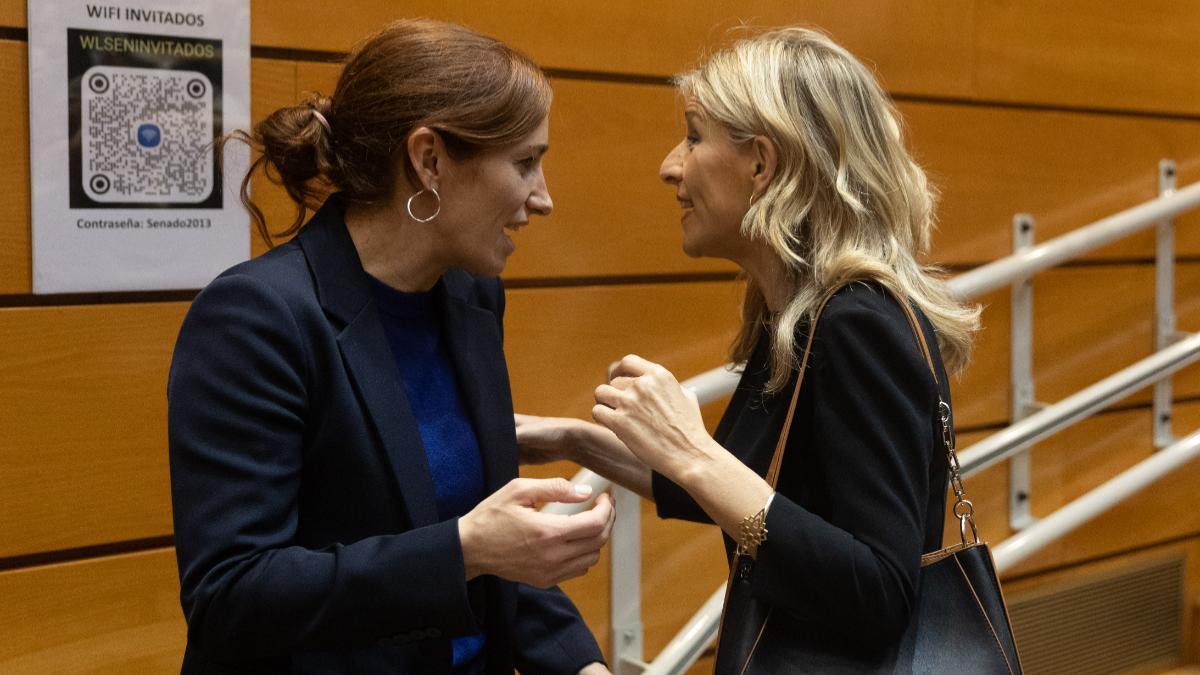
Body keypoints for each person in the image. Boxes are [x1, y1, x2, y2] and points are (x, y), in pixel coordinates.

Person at [516, 26, 980, 661]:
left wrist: (692, 455)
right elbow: (735, 488)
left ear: (762, 163)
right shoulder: (791, 313)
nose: (670, 166)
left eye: (694, 137)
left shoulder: (856, 322)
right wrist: (572, 441)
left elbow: (880, 594)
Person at [167, 19, 613, 675]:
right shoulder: (257, 318)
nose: (541, 198)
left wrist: (582, 665)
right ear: (428, 159)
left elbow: (496, 554)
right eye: (524, 163)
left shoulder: (471, 297)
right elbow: (231, 594)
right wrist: (464, 548)